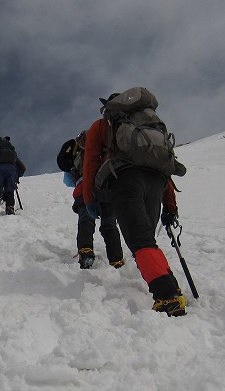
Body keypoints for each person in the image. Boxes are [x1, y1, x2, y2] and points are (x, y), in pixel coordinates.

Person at [80, 94, 185, 316]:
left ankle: (166, 296)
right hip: (157, 181)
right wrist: (170, 206)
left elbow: (90, 162)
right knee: (146, 239)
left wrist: (90, 199)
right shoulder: (150, 125)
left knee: (140, 241)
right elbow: (163, 164)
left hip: (124, 179)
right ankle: (170, 287)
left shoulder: (102, 126)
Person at [64, 131, 124, 269]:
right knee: (109, 224)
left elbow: (67, 181)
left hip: (84, 189)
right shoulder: (108, 146)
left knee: (86, 219)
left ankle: (86, 252)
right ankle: (116, 260)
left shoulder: (79, 151)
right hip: (107, 188)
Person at [0, 136, 26, 215]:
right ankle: (10, 208)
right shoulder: (12, 153)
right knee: (9, 190)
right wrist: (16, 177)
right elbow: (23, 168)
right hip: (11, 170)